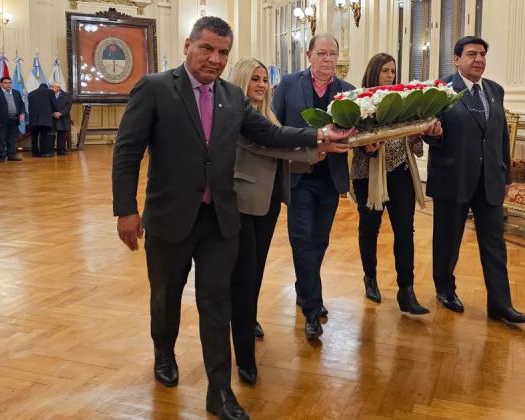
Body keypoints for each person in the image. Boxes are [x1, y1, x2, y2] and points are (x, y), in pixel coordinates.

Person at [112, 17, 352, 420]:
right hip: (170, 218)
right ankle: (163, 352)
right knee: (166, 297)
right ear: (188, 45)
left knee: (216, 303)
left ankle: (219, 392)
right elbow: (127, 151)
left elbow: (269, 134)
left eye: (223, 52)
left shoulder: (231, 97)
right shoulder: (155, 89)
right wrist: (126, 210)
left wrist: (319, 135)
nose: (215, 59)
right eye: (207, 48)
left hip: (220, 219)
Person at [227, 58, 330, 386]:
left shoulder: (267, 113)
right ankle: (243, 352)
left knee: (256, 269)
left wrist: (312, 152)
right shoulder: (238, 114)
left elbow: (278, 153)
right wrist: (314, 147)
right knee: (244, 274)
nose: (260, 84)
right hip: (244, 203)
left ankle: (248, 318)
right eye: (254, 79)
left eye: (263, 79)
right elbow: (268, 145)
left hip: (269, 202)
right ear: (241, 81)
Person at [424, 36, 525, 324]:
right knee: (447, 241)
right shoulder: (441, 90)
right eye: (471, 54)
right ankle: (445, 289)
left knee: (495, 244)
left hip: (490, 180)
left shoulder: (495, 90)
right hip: (452, 177)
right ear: (456, 59)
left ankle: (500, 304)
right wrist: (432, 133)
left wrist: (506, 173)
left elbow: (501, 135)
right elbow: (425, 130)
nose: (479, 59)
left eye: (482, 54)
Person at [272, 33, 355, 340]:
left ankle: (304, 289)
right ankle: (312, 308)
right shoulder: (289, 86)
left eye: (332, 54)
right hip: (299, 177)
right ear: (308, 56)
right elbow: (276, 131)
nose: (328, 60)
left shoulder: (347, 91)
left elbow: (353, 133)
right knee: (301, 240)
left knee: (319, 241)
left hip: (330, 181)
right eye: (321, 53)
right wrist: (314, 146)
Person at [350, 53, 441, 315]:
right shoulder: (360, 100)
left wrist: (417, 134)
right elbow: (351, 139)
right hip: (368, 175)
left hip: (400, 171)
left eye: (393, 71)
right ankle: (370, 277)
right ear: (373, 72)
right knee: (370, 229)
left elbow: (413, 143)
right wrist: (366, 146)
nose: (390, 76)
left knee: (405, 230)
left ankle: (406, 290)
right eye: (385, 71)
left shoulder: (403, 101)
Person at [0, 77, 25, 161]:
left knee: (12, 138)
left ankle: (11, 155)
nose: (8, 84)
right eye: (5, 83)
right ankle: (1, 156)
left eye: (9, 82)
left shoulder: (16, 92)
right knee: (1, 138)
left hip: (14, 119)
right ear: (1, 84)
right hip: (1, 119)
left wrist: (22, 113)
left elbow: (21, 104)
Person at [27, 83, 58, 157]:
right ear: (47, 87)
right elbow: (54, 104)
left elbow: (29, 106)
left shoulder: (31, 93)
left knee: (34, 136)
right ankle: (43, 152)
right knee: (43, 136)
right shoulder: (50, 92)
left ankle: (34, 153)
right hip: (45, 118)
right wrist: (55, 110)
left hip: (33, 118)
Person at [50, 82, 71, 155]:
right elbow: (47, 105)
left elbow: (68, 107)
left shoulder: (66, 95)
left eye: (53, 87)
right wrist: (53, 113)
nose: (51, 88)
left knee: (61, 135)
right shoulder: (49, 95)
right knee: (51, 135)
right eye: (51, 87)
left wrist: (59, 113)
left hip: (63, 118)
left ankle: (61, 150)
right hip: (52, 118)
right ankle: (50, 150)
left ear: (58, 88)